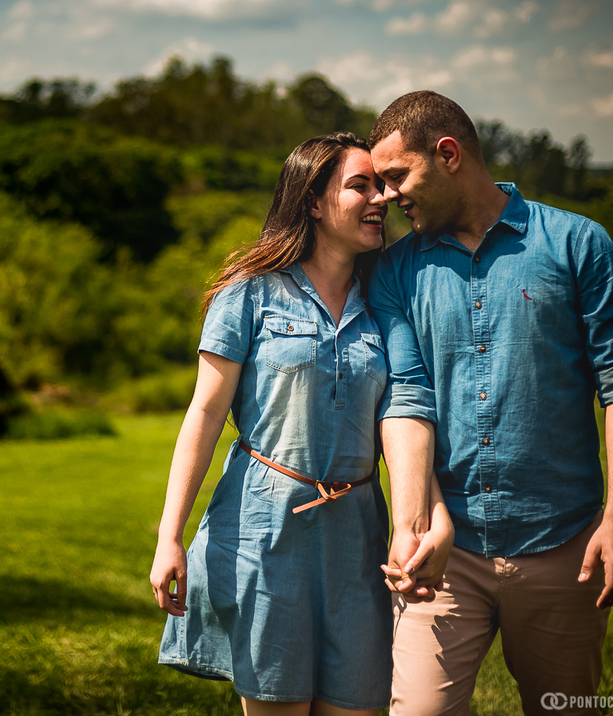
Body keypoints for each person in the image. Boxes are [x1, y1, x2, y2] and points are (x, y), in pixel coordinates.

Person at [365, 91, 613, 716]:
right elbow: (408, 395)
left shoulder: (578, 244)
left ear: (448, 155)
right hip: (445, 554)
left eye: (395, 177)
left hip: (565, 546)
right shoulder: (393, 271)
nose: (385, 197)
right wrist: (414, 522)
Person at [151, 132, 454, 716]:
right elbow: (205, 415)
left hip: (357, 545)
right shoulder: (249, 293)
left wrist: (429, 512)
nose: (381, 199)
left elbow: (401, 418)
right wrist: (170, 536)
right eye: (360, 186)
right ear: (312, 201)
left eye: (382, 186)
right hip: (264, 538)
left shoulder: (386, 300)